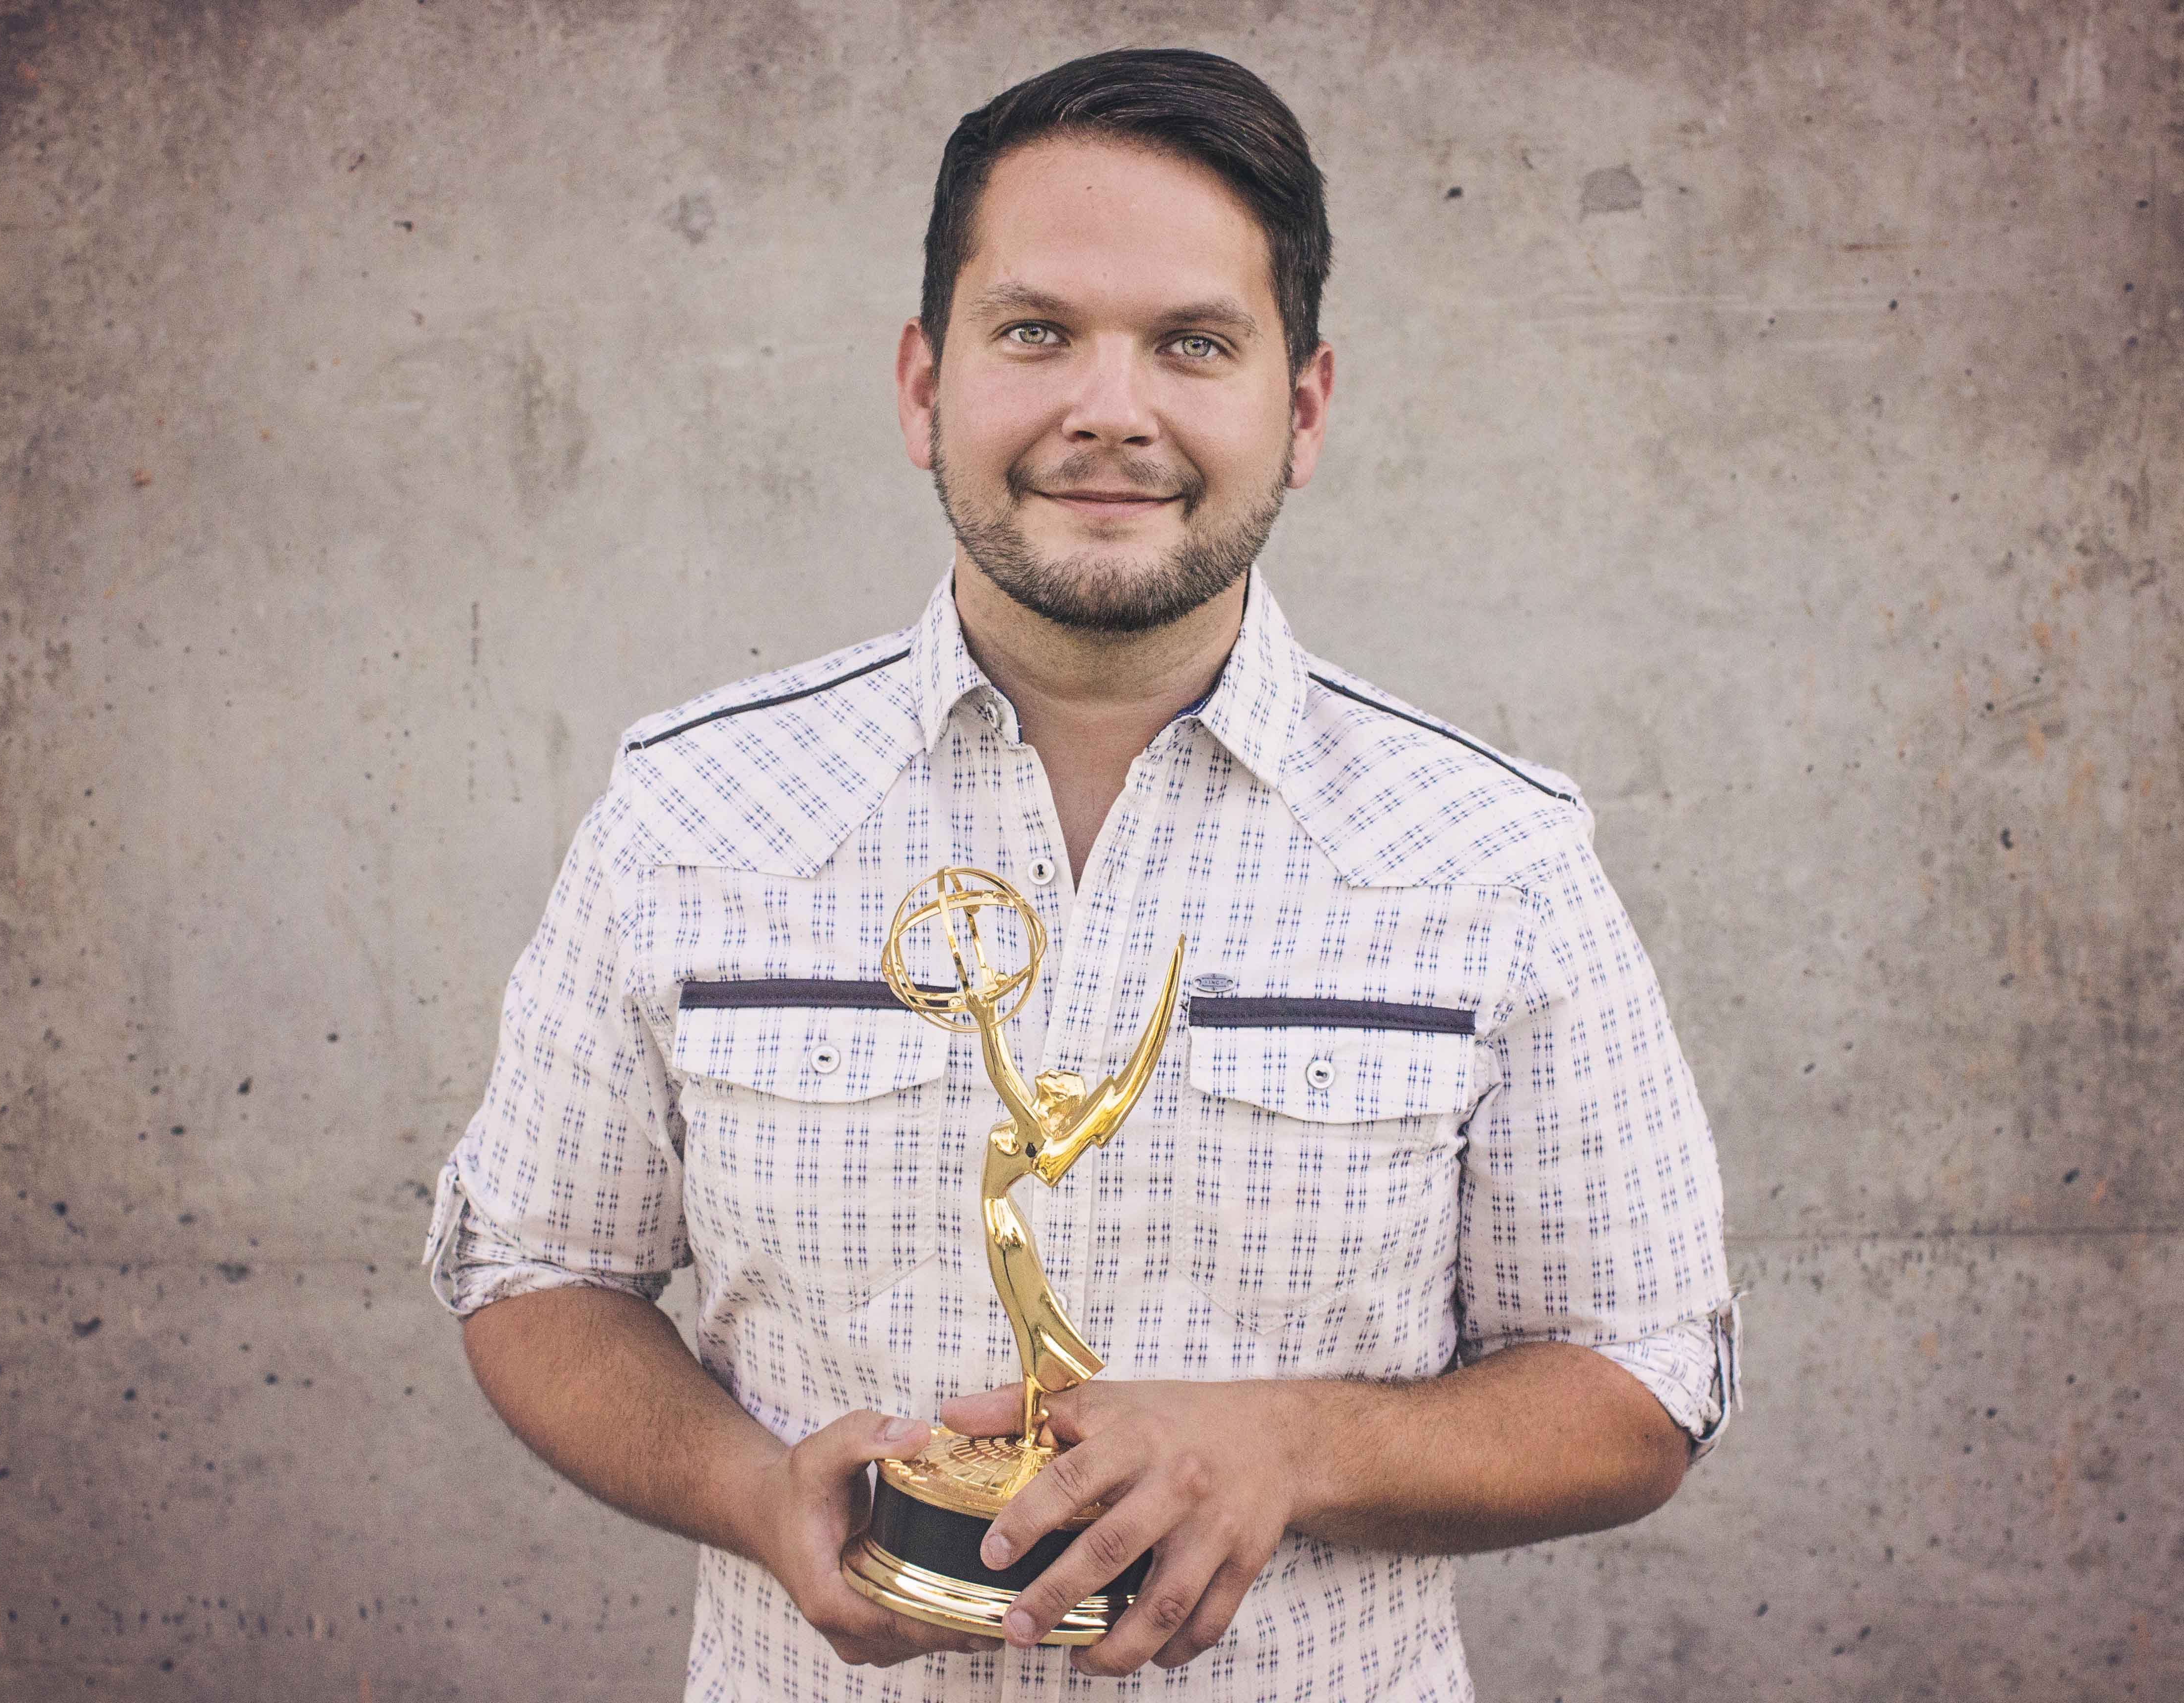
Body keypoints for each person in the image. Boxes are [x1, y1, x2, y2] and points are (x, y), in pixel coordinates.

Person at [424, 47, 1738, 1703]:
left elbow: (1643, 1374)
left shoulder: (1493, 857)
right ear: (925, 385)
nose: (1110, 408)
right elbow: (535, 1269)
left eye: (1194, 344)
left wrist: (1296, 1448)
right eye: (1036, 332)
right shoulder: (690, 812)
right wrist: (752, 1496)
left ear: (1303, 407)